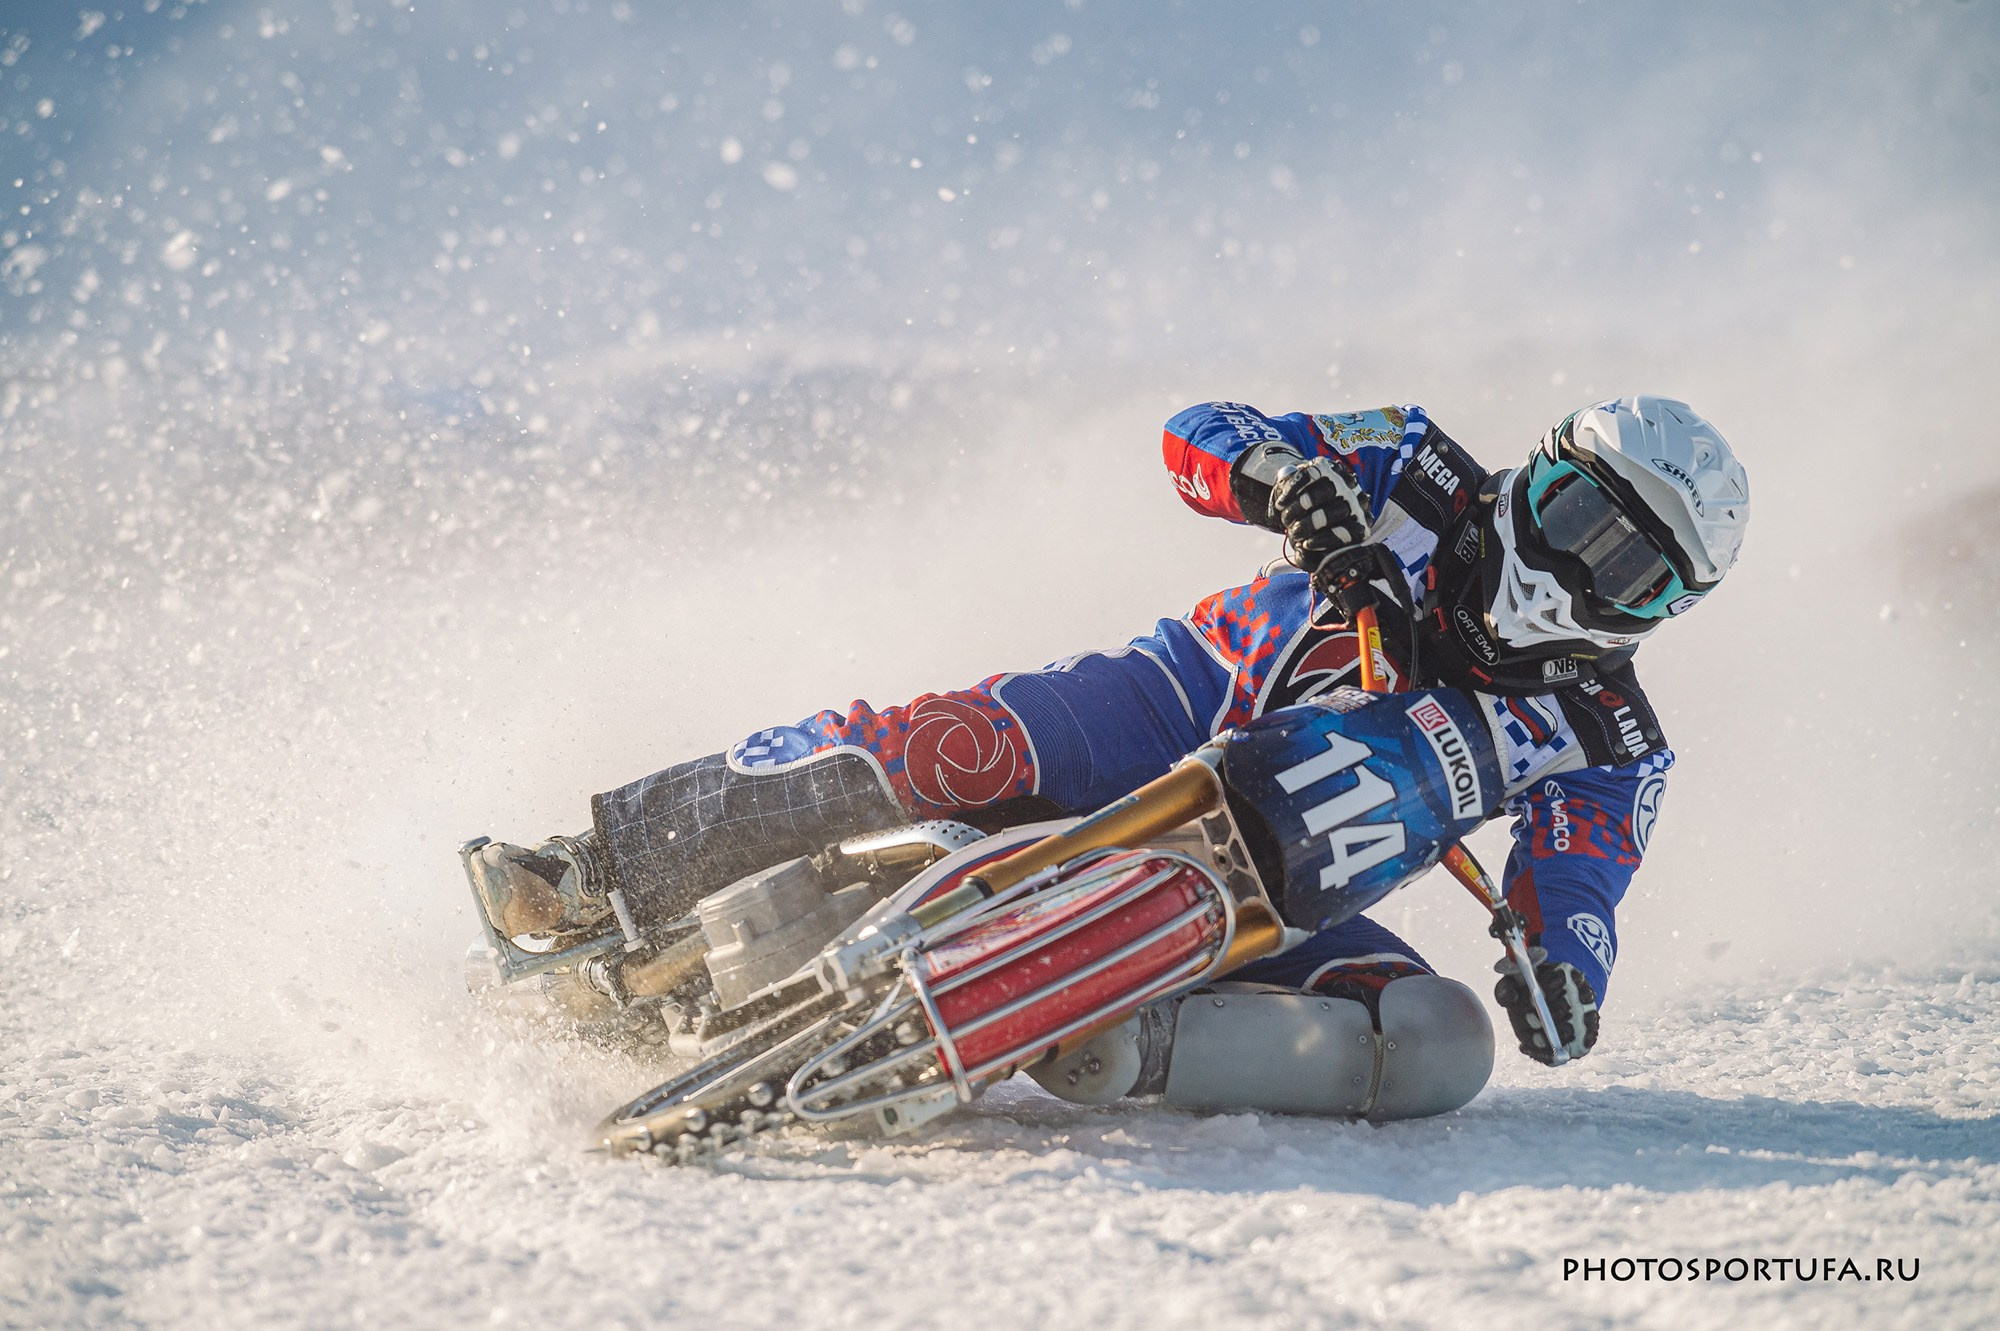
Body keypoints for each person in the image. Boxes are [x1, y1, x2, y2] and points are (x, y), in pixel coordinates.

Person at [467, 394, 1749, 1121]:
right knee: (946, 744)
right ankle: (596, 868)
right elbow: (1203, 431)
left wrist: (1561, 970)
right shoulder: (1408, 466)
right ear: (1539, 479)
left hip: (1277, 886)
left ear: (1657, 613)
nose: (1579, 570)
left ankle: (1122, 1030)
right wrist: (1285, 485)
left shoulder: (1609, 738)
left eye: (1628, 569)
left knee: (1437, 1041)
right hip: (1153, 708)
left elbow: (1575, 888)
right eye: (1579, 519)